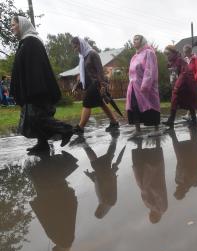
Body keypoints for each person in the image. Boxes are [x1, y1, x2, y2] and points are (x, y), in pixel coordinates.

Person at [10, 16, 74, 153]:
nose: (11, 27)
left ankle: (66, 129)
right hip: (32, 89)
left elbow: (36, 70)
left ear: (22, 25)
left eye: (14, 24)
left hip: (36, 90)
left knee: (38, 118)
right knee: (33, 119)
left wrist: (32, 91)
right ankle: (42, 144)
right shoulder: (25, 42)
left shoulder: (31, 42)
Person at [28, 151, 79, 251]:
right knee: (44, 178)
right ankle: (68, 161)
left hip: (61, 200)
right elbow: (48, 221)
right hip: (53, 201)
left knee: (49, 178)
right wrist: (38, 206)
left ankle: (47, 153)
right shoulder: (62, 241)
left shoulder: (67, 241)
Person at [71, 37, 119, 135]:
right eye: (74, 48)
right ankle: (114, 122)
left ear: (81, 44)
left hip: (96, 83)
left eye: (76, 46)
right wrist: (77, 85)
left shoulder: (93, 54)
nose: (75, 49)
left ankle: (80, 128)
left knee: (86, 103)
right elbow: (83, 74)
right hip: (89, 84)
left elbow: (100, 71)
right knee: (101, 103)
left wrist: (102, 86)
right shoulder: (82, 57)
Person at [83, 134, 124, 219]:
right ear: (101, 211)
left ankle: (115, 136)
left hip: (104, 172)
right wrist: (112, 173)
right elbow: (106, 184)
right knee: (99, 159)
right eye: (98, 210)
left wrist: (90, 175)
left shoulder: (105, 202)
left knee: (108, 154)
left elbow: (99, 184)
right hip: (104, 172)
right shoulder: (107, 201)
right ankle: (83, 142)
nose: (97, 208)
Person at [126, 35, 161, 131]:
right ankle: (137, 130)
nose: (134, 41)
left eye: (137, 39)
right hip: (134, 86)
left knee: (151, 105)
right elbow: (131, 73)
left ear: (142, 41)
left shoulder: (149, 53)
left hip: (145, 86)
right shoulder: (134, 56)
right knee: (134, 106)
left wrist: (145, 84)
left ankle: (156, 129)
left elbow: (150, 69)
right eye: (133, 40)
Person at [132, 137, 167, 224]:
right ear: (157, 217)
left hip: (145, 182)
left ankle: (139, 140)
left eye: (150, 216)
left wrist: (145, 187)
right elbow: (160, 194)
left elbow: (144, 195)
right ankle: (156, 132)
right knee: (154, 161)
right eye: (152, 217)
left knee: (142, 162)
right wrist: (149, 187)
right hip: (153, 182)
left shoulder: (150, 207)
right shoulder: (161, 208)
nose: (150, 215)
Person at [163, 45, 197, 127]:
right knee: (174, 100)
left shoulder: (180, 60)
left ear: (173, 53)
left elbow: (184, 72)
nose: (167, 56)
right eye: (165, 54)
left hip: (186, 85)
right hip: (179, 85)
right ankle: (171, 120)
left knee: (189, 102)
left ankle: (194, 120)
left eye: (168, 54)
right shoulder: (172, 62)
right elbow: (173, 74)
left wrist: (177, 85)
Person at [182, 44, 197, 121]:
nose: (184, 54)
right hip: (188, 81)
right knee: (194, 98)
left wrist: (194, 80)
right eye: (184, 52)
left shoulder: (195, 59)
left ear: (189, 52)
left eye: (185, 52)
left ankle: (188, 114)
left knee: (191, 98)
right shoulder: (186, 59)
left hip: (194, 82)